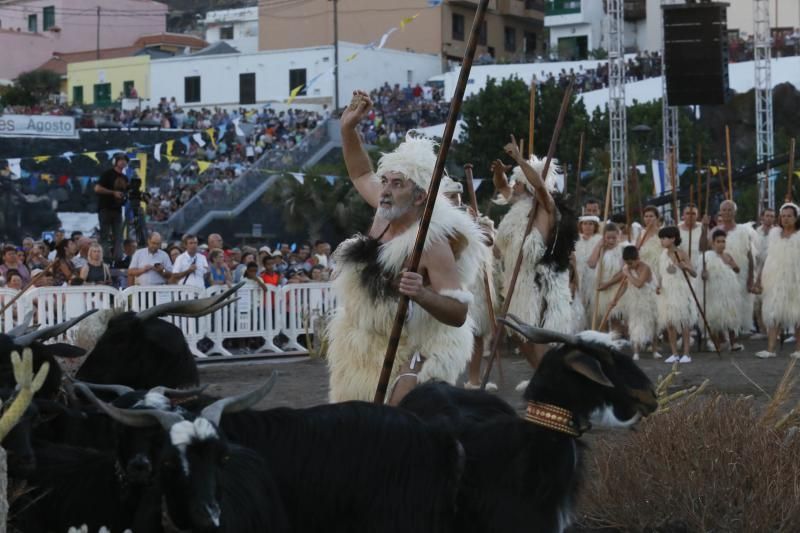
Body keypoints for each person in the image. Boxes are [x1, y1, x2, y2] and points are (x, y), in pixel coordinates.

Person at [327, 90, 485, 405]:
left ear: (420, 196)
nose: (384, 190)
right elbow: (360, 172)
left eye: (397, 184)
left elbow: (458, 313)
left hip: (419, 344)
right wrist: (348, 129)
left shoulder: (432, 243)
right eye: (385, 181)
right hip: (366, 340)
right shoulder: (385, 211)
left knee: (401, 417)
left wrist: (422, 293)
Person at [492, 139, 574, 381]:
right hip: (518, 284)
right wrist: (499, 173)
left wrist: (519, 159)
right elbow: (501, 186)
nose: (513, 186)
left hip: (541, 283)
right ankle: (542, 377)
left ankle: (552, 384)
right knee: (519, 334)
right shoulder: (519, 207)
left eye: (518, 182)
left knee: (537, 335)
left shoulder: (547, 208)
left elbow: (539, 186)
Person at [440, 176, 498, 392]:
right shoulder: (434, 221)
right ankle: (444, 380)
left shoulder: (476, 218)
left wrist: (474, 225)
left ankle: (474, 380)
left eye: (456, 196)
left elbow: (488, 239)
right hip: (446, 282)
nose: (454, 200)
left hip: (474, 285)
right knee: (445, 336)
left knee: (477, 333)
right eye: (449, 196)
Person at [704, 200, 757, 341]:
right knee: (719, 304)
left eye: (730, 210)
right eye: (724, 210)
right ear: (720, 212)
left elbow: (750, 255)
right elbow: (704, 248)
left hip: (739, 273)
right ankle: (721, 336)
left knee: (735, 304)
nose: (727, 213)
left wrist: (751, 278)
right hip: (718, 274)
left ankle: (734, 337)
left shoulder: (743, 231)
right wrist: (704, 227)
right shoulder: (715, 231)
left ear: (735, 212)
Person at [753, 203, 800, 359]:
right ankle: (771, 349)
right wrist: (759, 279)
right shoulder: (774, 234)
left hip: (795, 279)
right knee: (773, 312)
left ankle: (799, 350)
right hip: (774, 279)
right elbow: (767, 258)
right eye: (783, 216)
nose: (786, 219)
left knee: (797, 314)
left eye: (789, 216)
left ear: (796, 218)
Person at [656, 226, 698, 364]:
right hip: (667, 292)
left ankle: (686, 353)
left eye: (664, 238)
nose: (662, 241)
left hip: (681, 291)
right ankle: (674, 353)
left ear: (673, 238)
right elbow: (662, 273)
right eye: (661, 238)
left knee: (683, 323)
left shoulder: (681, 253)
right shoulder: (662, 255)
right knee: (670, 323)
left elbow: (694, 273)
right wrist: (659, 285)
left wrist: (685, 266)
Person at [614, 245, 659, 360]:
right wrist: (616, 299)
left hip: (649, 300)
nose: (630, 265)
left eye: (631, 263)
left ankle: (654, 350)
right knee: (635, 324)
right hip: (634, 300)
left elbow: (639, 284)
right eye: (627, 263)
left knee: (653, 324)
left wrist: (628, 273)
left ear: (637, 259)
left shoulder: (645, 268)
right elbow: (624, 286)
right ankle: (636, 352)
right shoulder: (627, 268)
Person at [699, 230, 742, 352]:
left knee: (731, 316)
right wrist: (704, 274)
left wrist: (733, 266)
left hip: (729, 292)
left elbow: (737, 269)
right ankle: (717, 343)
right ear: (713, 243)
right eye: (718, 241)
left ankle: (733, 343)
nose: (721, 244)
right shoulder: (707, 257)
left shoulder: (727, 256)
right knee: (715, 317)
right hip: (714, 292)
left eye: (723, 241)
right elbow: (703, 274)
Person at [588, 223, 624, 332]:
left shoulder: (622, 249)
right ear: (604, 238)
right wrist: (599, 246)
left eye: (614, 238)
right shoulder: (602, 249)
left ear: (619, 237)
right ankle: (603, 343)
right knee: (602, 319)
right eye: (608, 238)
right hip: (601, 289)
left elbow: (623, 272)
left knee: (615, 318)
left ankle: (616, 343)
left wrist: (607, 284)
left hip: (616, 287)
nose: (611, 241)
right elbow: (591, 264)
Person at [94, 152, 129, 260]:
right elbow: (97, 188)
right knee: (104, 235)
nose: (123, 162)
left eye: (125, 160)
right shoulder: (107, 174)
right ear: (115, 161)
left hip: (117, 210)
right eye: (121, 160)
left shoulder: (125, 178)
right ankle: (105, 258)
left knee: (118, 236)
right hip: (105, 208)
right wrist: (113, 193)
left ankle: (118, 259)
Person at [575, 215, 601, 325]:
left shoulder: (600, 240)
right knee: (579, 307)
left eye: (591, 224)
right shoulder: (575, 240)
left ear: (595, 226)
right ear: (581, 225)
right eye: (585, 224)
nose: (588, 226)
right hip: (578, 278)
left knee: (594, 308)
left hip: (594, 278)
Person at [636, 205, 663, 273]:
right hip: (645, 269)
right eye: (646, 216)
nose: (648, 219)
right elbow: (636, 251)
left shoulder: (662, 233)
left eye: (651, 216)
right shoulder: (641, 234)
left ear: (657, 218)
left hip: (659, 267)